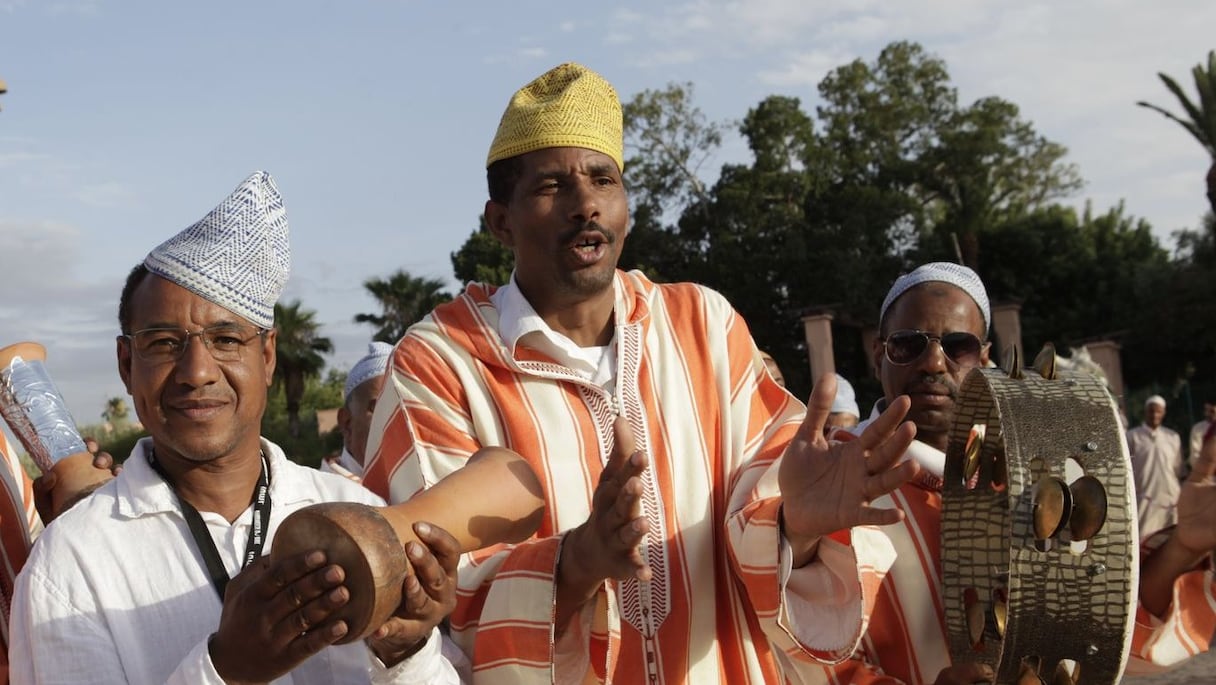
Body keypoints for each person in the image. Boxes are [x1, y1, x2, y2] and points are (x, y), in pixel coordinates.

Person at [362, 62, 920, 683]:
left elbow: (771, 515)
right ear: (500, 221)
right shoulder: (441, 362)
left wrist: (800, 526)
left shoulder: (704, 326)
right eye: (552, 186)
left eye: (604, 179)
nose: (586, 204)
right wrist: (576, 562)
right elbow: (437, 598)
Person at [10, 172, 468, 684]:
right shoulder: (72, 564)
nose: (197, 371)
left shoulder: (359, 516)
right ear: (125, 363)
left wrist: (406, 647)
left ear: (267, 357)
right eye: (163, 343)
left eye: (226, 339)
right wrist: (227, 670)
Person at [838, 261, 1216, 682]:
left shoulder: (1034, 475)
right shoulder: (833, 474)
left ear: (983, 359)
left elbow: (1099, 623)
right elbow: (787, 651)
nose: (933, 363)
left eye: (958, 346)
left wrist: (1182, 547)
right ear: (879, 355)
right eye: (908, 344)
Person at [323, 341, 394, 482]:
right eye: (379, 408)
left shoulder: (430, 492)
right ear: (347, 423)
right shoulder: (321, 496)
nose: (397, 420)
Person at [1128, 394, 1185, 538]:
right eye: (1151, 411)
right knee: (1144, 538)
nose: (1154, 415)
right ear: (1145, 412)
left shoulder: (1172, 437)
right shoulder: (1132, 436)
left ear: (1163, 413)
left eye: (1158, 411)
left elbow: (1178, 469)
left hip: (1170, 498)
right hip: (1145, 499)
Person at [1187, 397, 1215, 471]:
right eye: (1206, 410)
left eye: (1212, 411)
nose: (1207, 414)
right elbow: (1195, 455)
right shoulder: (1198, 428)